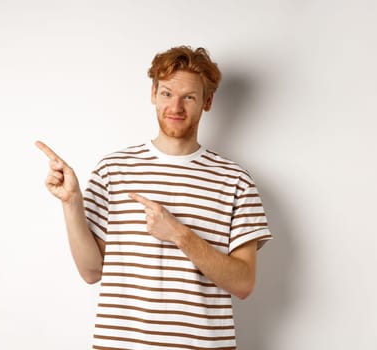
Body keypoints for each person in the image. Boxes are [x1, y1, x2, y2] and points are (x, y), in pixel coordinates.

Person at [36, 46, 272, 349]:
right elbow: (91, 271)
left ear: (207, 102)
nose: (176, 106)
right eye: (167, 93)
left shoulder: (235, 180)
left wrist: (179, 234)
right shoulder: (114, 169)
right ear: (153, 93)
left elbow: (243, 283)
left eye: (189, 96)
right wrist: (71, 203)